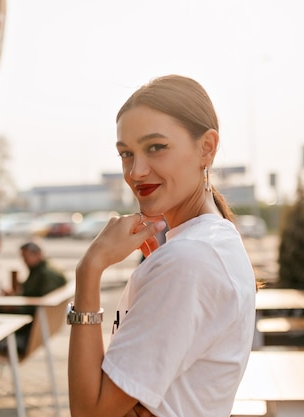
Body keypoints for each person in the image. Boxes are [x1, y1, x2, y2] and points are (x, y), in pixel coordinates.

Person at [67, 75, 256, 417]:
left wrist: (90, 268)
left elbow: (90, 413)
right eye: (126, 153)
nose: (136, 171)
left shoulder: (189, 260)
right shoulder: (209, 243)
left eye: (156, 147)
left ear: (206, 148)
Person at [0, 241, 67, 354]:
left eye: (25, 257)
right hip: (33, 318)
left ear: (37, 254)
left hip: (28, 321)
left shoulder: (45, 274)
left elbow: (40, 303)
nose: (24, 261)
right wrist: (15, 297)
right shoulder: (42, 270)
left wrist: (15, 307)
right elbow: (33, 296)